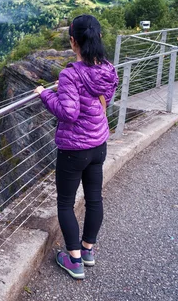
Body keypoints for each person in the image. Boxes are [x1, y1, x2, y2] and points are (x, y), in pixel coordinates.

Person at [34, 15, 118, 280]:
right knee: (94, 198)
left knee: (65, 204)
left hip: (74, 150)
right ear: (99, 38)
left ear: (73, 41)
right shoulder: (107, 69)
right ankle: (88, 250)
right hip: (98, 144)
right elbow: (103, 98)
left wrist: (45, 94)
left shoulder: (70, 74)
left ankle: (74, 260)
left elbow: (68, 113)